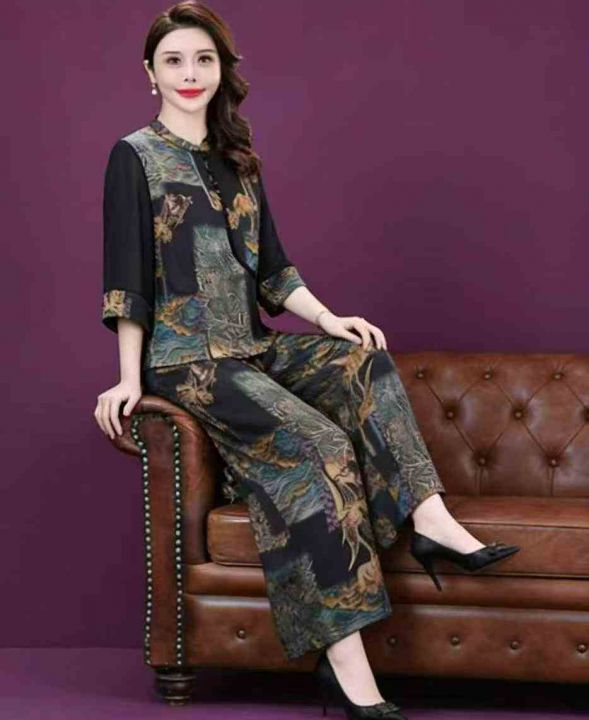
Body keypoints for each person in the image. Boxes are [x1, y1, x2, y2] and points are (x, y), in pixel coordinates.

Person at [94, 3, 520, 718]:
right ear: (151, 73)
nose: (190, 73)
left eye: (203, 59)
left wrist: (329, 320)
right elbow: (127, 279)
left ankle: (430, 520)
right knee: (319, 445)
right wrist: (129, 378)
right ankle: (347, 669)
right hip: (189, 361)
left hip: (251, 345)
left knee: (364, 362)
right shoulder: (133, 156)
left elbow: (273, 271)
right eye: (174, 61)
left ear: (223, 69)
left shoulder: (238, 162)